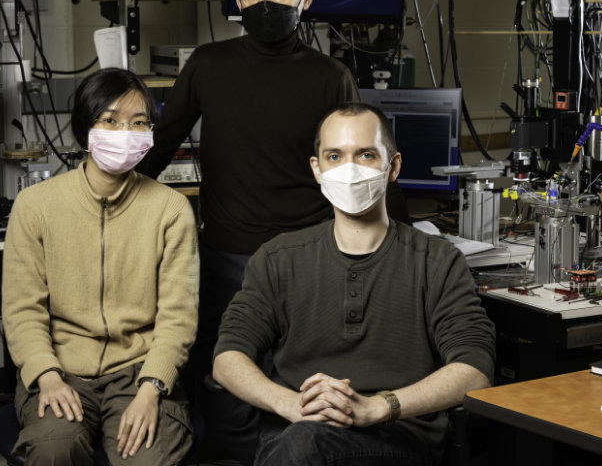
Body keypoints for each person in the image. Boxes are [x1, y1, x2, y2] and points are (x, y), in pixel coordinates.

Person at [135, 0, 362, 463]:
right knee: (228, 387)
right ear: (237, 0)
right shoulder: (208, 65)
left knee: (304, 384)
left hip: (311, 259)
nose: (266, 3)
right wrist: (101, 198)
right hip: (228, 260)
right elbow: (160, 147)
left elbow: (356, 167)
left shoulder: (332, 77)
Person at [212, 103, 496, 466]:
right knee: (304, 443)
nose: (348, 169)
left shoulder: (436, 260)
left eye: (365, 154)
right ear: (317, 169)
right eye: (334, 156)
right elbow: (227, 357)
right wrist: (289, 404)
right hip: (293, 434)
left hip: (396, 438)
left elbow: (475, 369)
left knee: (306, 447)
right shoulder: (279, 258)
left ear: (392, 166)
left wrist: (378, 407)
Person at [2, 67, 199, 466]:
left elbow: (178, 317)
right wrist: (47, 376)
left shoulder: (171, 209)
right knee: (54, 450)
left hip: (138, 371)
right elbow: (23, 309)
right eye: (109, 120)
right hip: (62, 369)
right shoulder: (35, 206)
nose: (124, 132)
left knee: (146, 458)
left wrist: (151, 390)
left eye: (138, 122)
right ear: (84, 128)